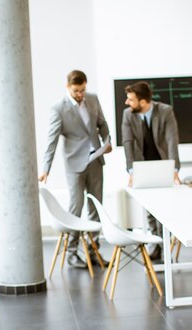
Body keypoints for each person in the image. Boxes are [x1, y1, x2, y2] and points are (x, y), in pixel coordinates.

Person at [39, 70, 112, 269]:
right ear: (68, 87)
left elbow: (102, 124)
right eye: (76, 91)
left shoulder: (93, 99)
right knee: (75, 207)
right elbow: (51, 141)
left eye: (82, 90)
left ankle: (93, 250)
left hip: (95, 160)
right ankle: (71, 252)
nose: (80, 94)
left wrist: (107, 141)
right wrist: (46, 168)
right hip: (74, 165)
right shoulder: (58, 109)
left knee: (96, 206)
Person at [122, 81, 181, 260]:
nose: (126, 102)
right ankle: (155, 246)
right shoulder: (128, 114)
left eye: (131, 99)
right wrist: (131, 171)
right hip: (142, 166)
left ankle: (165, 247)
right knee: (149, 208)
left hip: (162, 164)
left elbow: (172, 139)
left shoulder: (165, 111)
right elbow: (128, 143)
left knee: (164, 208)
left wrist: (174, 168)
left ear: (143, 102)